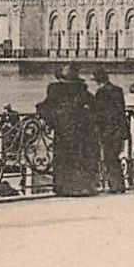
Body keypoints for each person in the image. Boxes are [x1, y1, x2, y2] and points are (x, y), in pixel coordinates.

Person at [37, 63, 97, 196]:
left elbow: (45, 107)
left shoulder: (55, 89)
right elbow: (94, 105)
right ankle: (81, 187)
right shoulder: (81, 89)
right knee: (79, 158)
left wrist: (52, 121)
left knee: (64, 159)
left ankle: (64, 187)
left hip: (64, 130)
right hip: (81, 131)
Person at [90, 67, 129, 193]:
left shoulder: (101, 93)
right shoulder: (118, 90)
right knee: (115, 157)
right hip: (119, 130)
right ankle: (118, 184)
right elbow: (121, 111)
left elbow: (99, 114)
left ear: (97, 81)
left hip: (108, 130)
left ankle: (115, 185)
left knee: (109, 158)